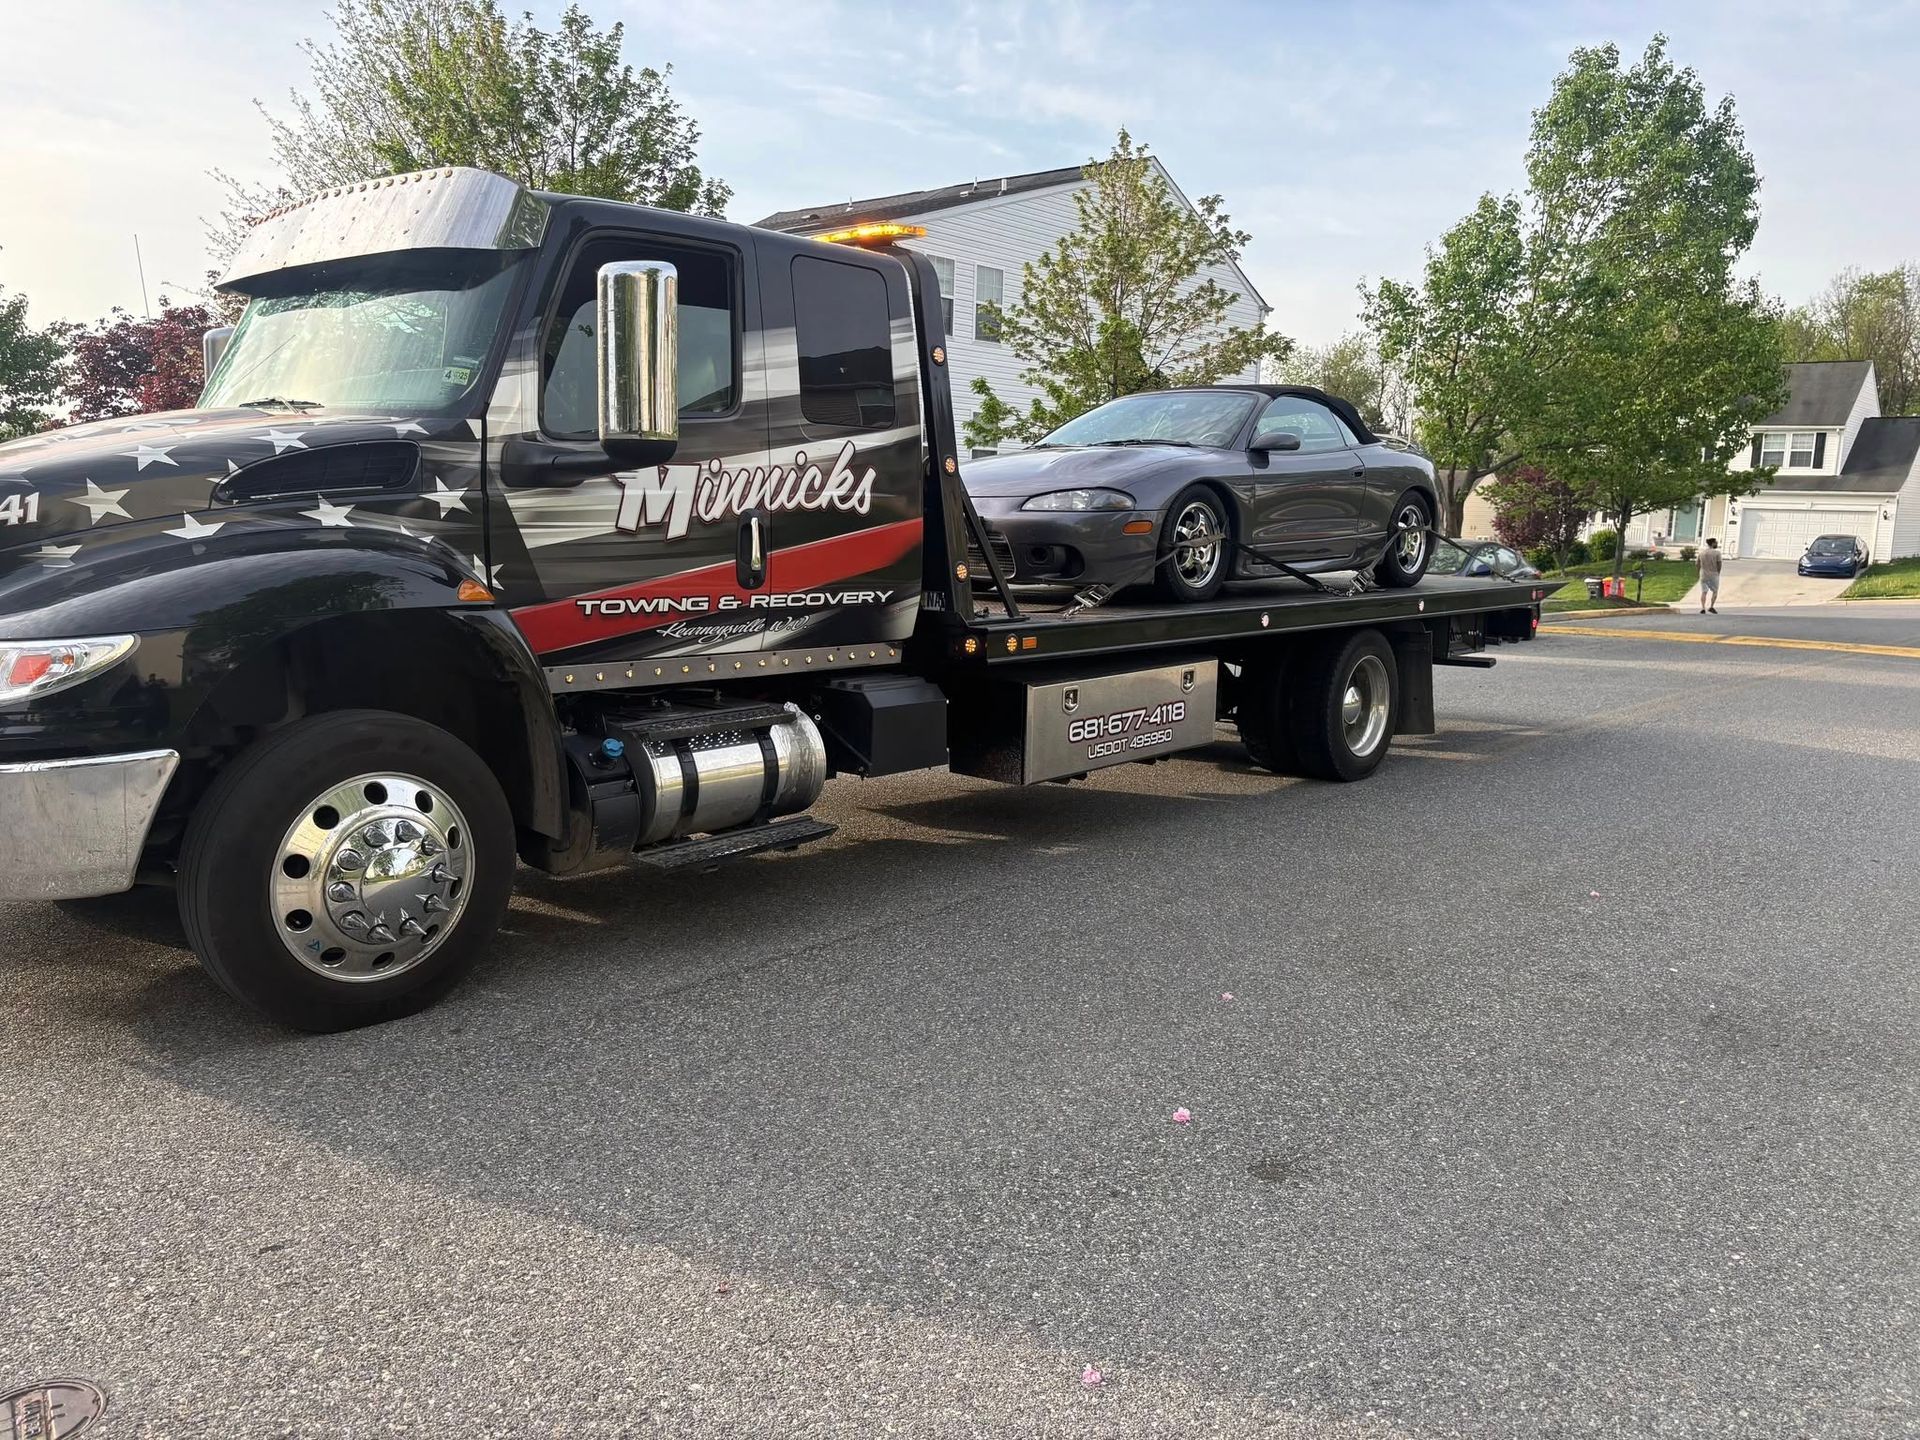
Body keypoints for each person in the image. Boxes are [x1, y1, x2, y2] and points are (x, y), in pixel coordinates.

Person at [1697, 537, 1722, 614]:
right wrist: (1718, 572)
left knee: (1704, 592)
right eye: (1716, 542)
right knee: (1715, 591)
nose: (1717, 543)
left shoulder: (1701, 553)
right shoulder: (1717, 553)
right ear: (1713, 543)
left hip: (1703, 574)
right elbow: (1719, 564)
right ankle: (1711, 606)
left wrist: (1698, 572)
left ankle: (1703, 607)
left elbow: (1697, 564)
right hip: (1713, 574)